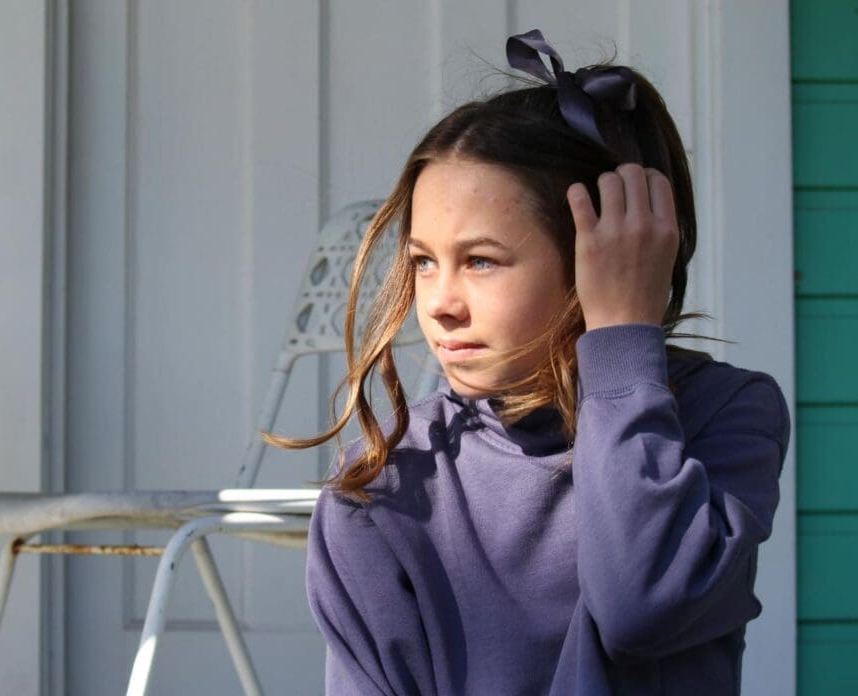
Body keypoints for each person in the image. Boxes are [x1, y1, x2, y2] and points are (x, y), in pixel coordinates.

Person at [267, 29, 790, 695]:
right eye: (425, 261)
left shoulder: (724, 413)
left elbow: (644, 606)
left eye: (481, 260)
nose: (441, 304)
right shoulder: (388, 481)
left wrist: (623, 338)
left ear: (602, 256)